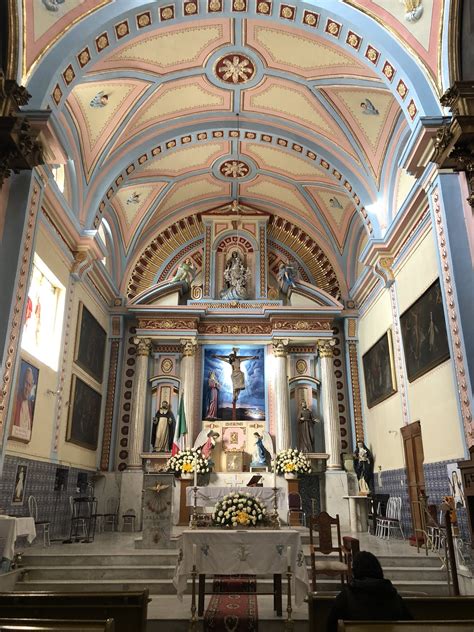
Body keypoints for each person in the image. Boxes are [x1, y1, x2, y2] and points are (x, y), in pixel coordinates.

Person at [326, 551, 413, 632]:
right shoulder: (393, 596)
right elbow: (410, 625)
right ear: (379, 570)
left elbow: (331, 626)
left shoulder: (346, 597)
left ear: (355, 572)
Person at [12, 366, 35, 441]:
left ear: (32, 386)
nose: (27, 388)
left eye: (29, 385)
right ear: (22, 382)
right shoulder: (14, 401)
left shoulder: (31, 406)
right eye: (26, 383)